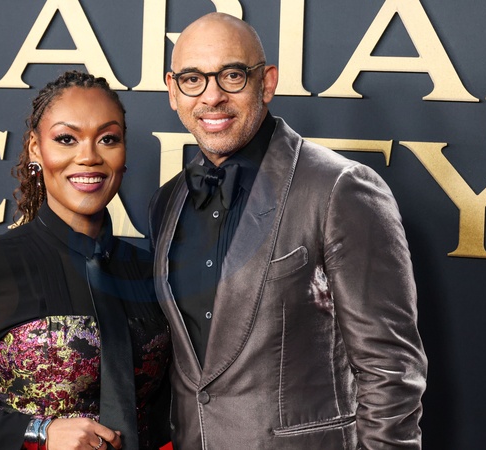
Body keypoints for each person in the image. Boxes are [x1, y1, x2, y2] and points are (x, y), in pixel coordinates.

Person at [149, 13, 427, 449]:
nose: (212, 96)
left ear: (267, 82)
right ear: (173, 90)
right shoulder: (168, 201)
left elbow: (390, 369)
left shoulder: (339, 188)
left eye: (232, 76)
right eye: (192, 80)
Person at [0, 71, 171, 450]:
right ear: (35, 148)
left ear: (123, 154)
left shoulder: (150, 272)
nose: (89, 156)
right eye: (66, 139)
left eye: (108, 139)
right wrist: (39, 432)